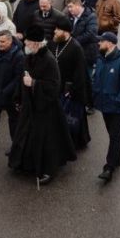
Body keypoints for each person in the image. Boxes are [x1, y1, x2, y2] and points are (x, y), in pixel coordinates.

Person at [8, 26, 77, 185]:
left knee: (46, 141)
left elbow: (54, 86)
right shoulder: (29, 56)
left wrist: (34, 83)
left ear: (36, 44)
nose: (25, 44)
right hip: (30, 105)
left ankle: (48, 170)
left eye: (28, 42)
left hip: (46, 108)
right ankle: (24, 163)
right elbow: (22, 77)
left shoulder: (49, 60)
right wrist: (18, 97)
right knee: (26, 134)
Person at [92, 32, 120, 182]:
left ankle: (109, 167)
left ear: (110, 43)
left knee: (114, 135)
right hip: (104, 105)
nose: (98, 44)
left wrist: (118, 100)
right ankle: (118, 156)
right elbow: (95, 78)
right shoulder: (101, 59)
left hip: (117, 108)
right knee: (112, 134)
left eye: (101, 41)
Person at [50, 18, 91, 150]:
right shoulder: (54, 43)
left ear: (66, 32)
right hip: (57, 86)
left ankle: (78, 142)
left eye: (58, 29)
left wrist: (72, 89)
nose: (55, 31)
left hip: (70, 89)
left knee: (73, 118)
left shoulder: (76, 48)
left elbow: (80, 73)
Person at [67, 0, 99, 115]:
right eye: (68, 7)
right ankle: (79, 100)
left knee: (88, 79)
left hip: (88, 53)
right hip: (76, 53)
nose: (69, 9)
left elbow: (90, 34)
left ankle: (91, 104)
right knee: (77, 78)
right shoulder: (71, 17)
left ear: (78, 5)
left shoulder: (91, 17)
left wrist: (73, 41)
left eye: (71, 7)